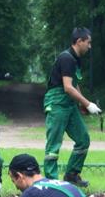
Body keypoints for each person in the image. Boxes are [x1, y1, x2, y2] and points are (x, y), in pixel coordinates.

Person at [43, 26, 101, 186]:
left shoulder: (76, 59)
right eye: (88, 43)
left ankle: (72, 175)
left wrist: (81, 103)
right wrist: (88, 104)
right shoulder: (66, 58)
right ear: (79, 41)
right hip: (56, 103)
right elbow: (67, 87)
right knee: (54, 143)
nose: (90, 46)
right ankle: (51, 181)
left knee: (83, 138)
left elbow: (75, 84)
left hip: (69, 103)